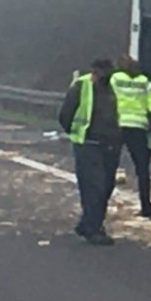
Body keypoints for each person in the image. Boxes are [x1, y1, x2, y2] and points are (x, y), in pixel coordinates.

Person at [59, 57, 121, 245]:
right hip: (88, 143)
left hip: (111, 144)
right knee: (94, 186)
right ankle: (94, 229)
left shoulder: (115, 86)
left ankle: (87, 223)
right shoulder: (82, 86)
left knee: (106, 186)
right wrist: (76, 134)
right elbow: (65, 114)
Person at [109, 55, 151, 218]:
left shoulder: (115, 79)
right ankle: (146, 207)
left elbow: (108, 98)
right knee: (142, 170)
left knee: (109, 167)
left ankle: (100, 206)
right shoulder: (145, 82)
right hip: (138, 127)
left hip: (117, 126)